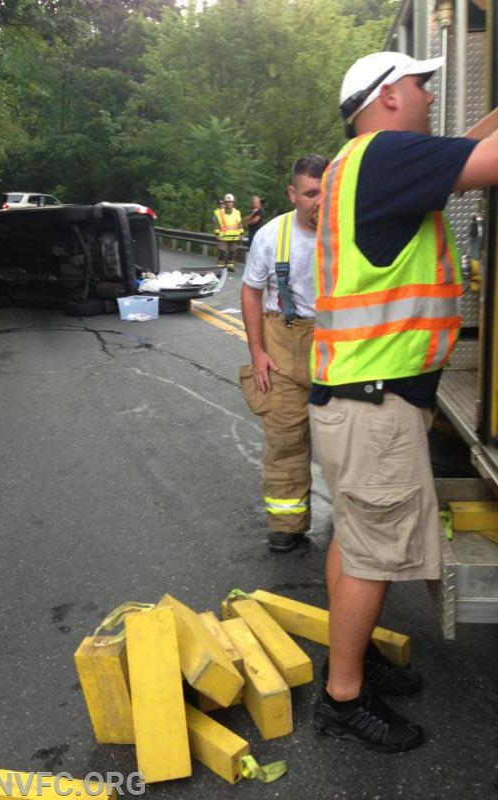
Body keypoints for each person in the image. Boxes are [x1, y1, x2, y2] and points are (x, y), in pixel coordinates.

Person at [310, 50, 498, 753]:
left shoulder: (357, 164)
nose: (429, 97)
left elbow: (470, 146)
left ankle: (351, 665)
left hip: (353, 401)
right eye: (422, 86)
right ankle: (344, 695)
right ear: (387, 97)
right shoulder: (387, 156)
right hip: (372, 409)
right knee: (371, 556)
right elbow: (488, 160)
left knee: (356, 541)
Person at [240, 155, 328, 553]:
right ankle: (287, 524)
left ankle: (354, 529)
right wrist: (257, 352)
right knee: (285, 441)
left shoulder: (350, 232)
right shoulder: (272, 235)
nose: (319, 201)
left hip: (337, 347)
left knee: (345, 444)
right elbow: (251, 290)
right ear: (293, 194)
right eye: (311, 193)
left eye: (326, 191)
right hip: (284, 346)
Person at [214, 193, 243, 271]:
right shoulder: (219, 213)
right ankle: (220, 266)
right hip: (223, 237)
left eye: (231, 202)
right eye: (228, 202)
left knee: (232, 252)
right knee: (222, 252)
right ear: (225, 203)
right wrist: (216, 233)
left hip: (234, 236)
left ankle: (230, 266)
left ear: (233, 203)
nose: (229, 203)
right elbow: (216, 224)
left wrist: (241, 234)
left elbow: (239, 223)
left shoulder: (237, 212)